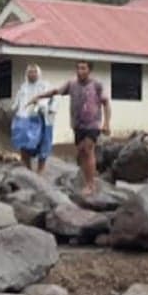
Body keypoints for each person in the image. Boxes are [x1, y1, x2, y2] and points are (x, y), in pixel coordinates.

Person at [29, 60, 110, 195]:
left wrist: (107, 123)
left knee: (88, 149)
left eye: (83, 68)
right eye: (78, 68)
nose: (80, 71)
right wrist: (39, 96)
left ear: (89, 70)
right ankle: (87, 180)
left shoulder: (97, 85)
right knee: (81, 152)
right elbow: (56, 91)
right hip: (77, 124)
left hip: (93, 123)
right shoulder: (72, 84)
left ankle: (91, 185)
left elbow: (106, 103)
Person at [13, 64, 55, 174]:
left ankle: (40, 170)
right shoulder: (23, 87)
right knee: (23, 142)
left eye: (34, 72)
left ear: (38, 73)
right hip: (25, 119)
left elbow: (52, 101)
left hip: (42, 119)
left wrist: (43, 107)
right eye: (30, 72)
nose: (32, 74)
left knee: (43, 144)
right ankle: (27, 169)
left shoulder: (45, 86)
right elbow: (18, 103)